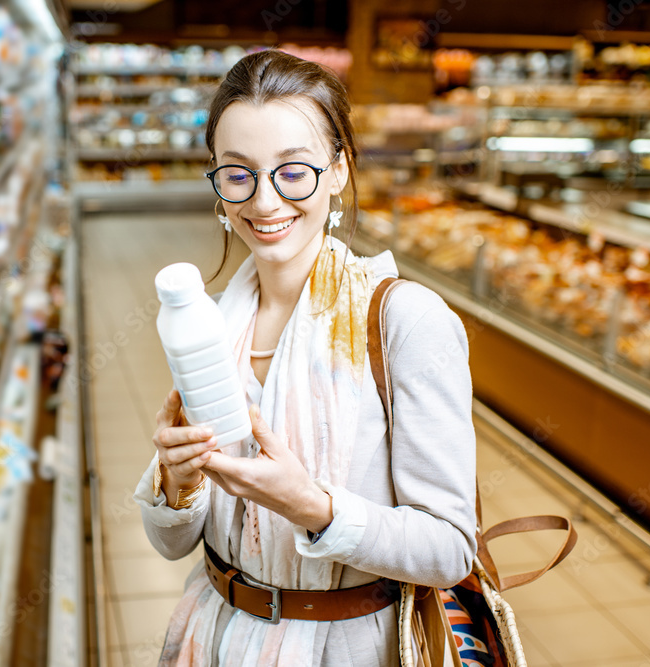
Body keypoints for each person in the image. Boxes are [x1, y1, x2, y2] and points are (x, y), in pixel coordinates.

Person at [133, 50, 477, 666]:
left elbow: (449, 548)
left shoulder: (405, 322)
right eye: (239, 174)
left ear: (338, 170)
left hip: (345, 646)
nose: (265, 203)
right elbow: (171, 544)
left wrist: (312, 508)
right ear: (216, 179)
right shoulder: (210, 324)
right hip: (214, 638)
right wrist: (177, 483)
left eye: (294, 172)